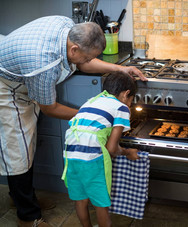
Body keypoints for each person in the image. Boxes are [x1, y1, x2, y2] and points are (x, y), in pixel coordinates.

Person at [0, 15, 146, 227]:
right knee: (18, 151)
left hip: (26, 77)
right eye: (87, 57)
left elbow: (85, 63)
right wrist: (91, 116)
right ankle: (27, 216)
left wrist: (120, 69)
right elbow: (49, 108)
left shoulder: (70, 28)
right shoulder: (44, 63)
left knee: (28, 147)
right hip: (6, 87)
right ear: (74, 50)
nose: (88, 61)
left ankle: (22, 198)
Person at [62, 72, 139, 227]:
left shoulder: (92, 101)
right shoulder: (122, 107)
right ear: (126, 94)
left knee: (81, 200)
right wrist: (127, 152)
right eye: (131, 100)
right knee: (101, 204)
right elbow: (111, 148)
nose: (130, 104)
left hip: (70, 153)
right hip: (92, 158)